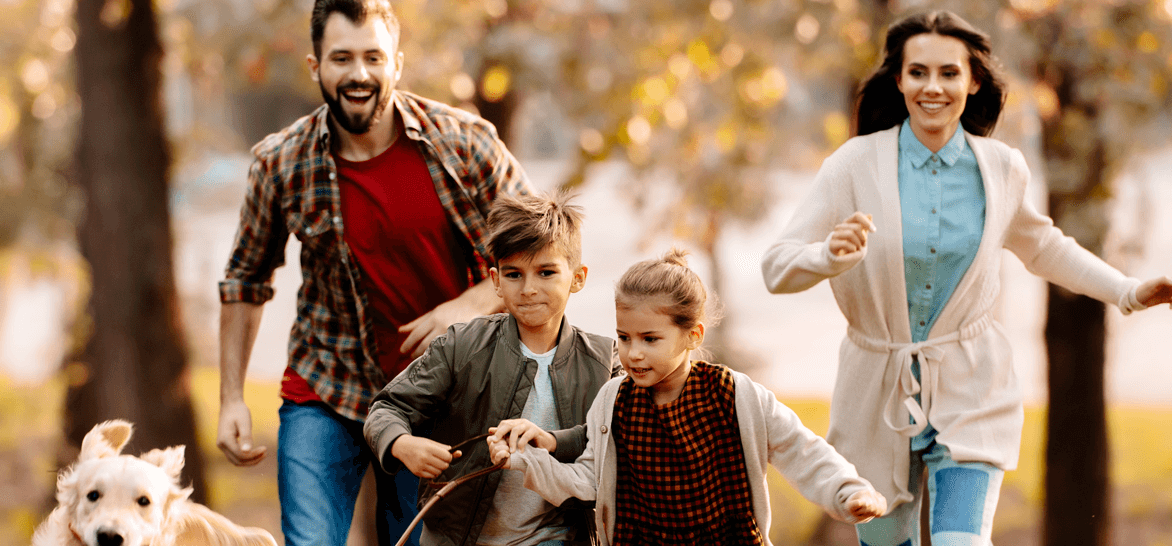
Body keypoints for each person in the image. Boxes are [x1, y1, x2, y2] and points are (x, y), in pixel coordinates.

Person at [760, 10, 1172, 546]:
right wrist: (827, 255)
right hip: (875, 395)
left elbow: (1045, 248)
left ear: (974, 81)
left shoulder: (1001, 168)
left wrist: (1128, 291)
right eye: (918, 72)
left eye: (949, 73)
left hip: (971, 388)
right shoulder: (852, 166)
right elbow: (775, 268)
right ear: (899, 81)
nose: (933, 87)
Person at [214, 0, 533, 543]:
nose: (358, 74)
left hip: (437, 399)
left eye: (373, 57)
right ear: (316, 66)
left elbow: (542, 250)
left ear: (396, 64)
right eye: (342, 58)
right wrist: (230, 399)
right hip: (326, 391)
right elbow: (245, 280)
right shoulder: (281, 162)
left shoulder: (465, 143)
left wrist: (471, 303)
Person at [487, 249, 888, 545]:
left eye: (650, 339)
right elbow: (588, 478)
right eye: (624, 337)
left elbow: (801, 449)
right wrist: (524, 459)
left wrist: (848, 490)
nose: (632, 353)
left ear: (692, 335)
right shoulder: (614, 401)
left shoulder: (735, 395)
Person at [364, 191, 620, 546]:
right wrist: (402, 443)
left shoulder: (605, 361)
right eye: (514, 274)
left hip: (557, 537)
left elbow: (617, 439)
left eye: (546, 272)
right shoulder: (462, 344)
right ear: (496, 281)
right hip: (455, 539)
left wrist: (553, 442)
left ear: (577, 277)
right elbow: (387, 408)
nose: (529, 289)